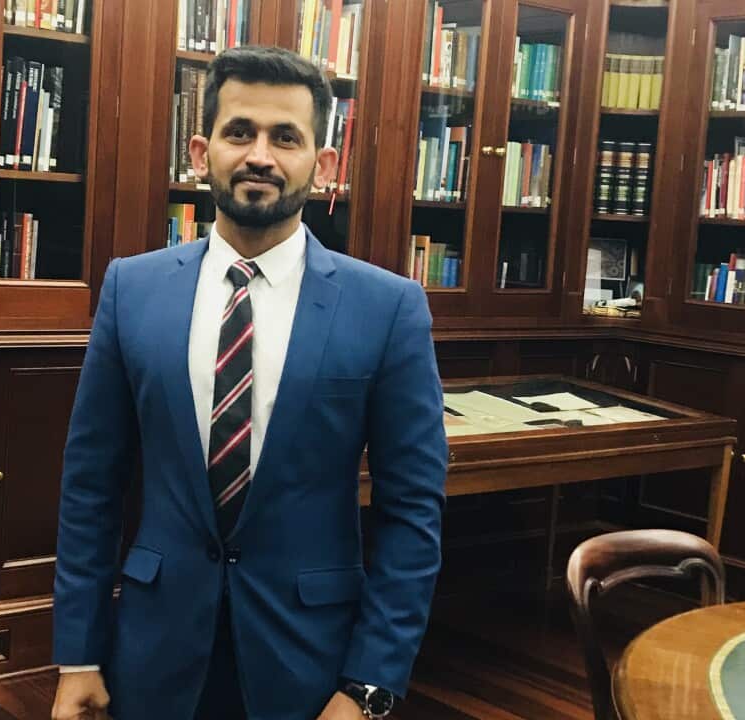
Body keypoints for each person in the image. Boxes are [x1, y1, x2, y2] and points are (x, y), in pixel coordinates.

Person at [50, 45, 447, 720]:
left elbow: (413, 511)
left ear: (321, 166)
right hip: (154, 650)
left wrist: (370, 685)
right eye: (240, 132)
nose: (260, 155)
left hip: (312, 660)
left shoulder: (388, 308)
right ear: (203, 152)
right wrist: (79, 655)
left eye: (285, 137)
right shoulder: (132, 290)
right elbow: (92, 485)